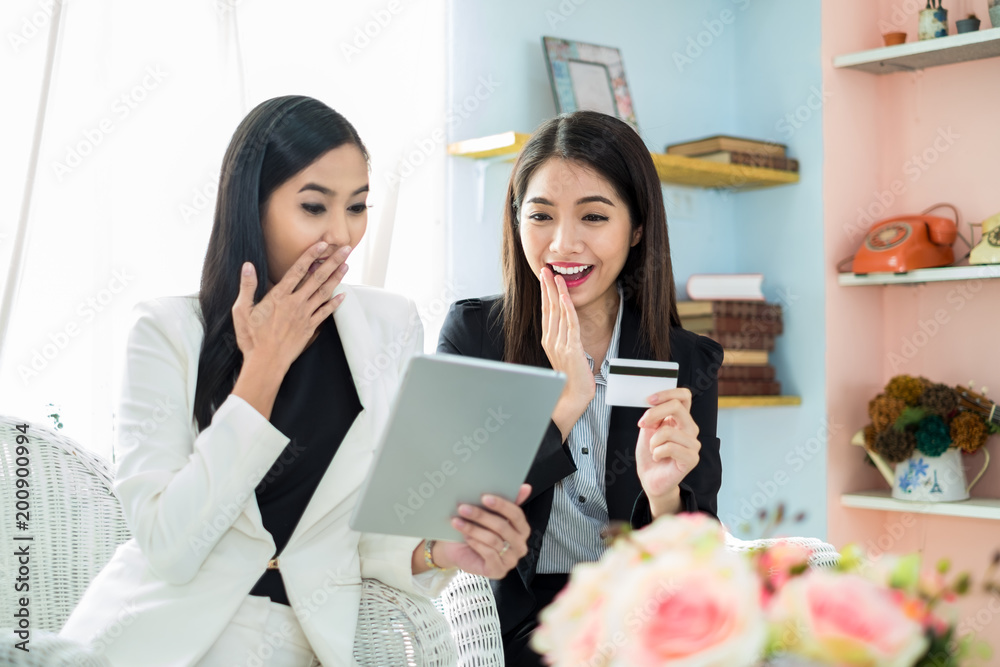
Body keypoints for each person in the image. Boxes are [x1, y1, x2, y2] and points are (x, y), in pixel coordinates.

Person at [59, 95, 531, 667]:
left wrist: (437, 549)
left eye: (357, 207)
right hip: (154, 639)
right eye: (313, 207)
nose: (342, 234)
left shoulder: (389, 326)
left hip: (302, 641)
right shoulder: (165, 331)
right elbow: (168, 547)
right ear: (250, 208)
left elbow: (366, 535)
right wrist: (262, 371)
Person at [438, 110, 724, 665]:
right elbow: (455, 507)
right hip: (528, 618)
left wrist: (665, 495)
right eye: (540, 215)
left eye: (593, 217)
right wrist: (564, 406)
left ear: (636, 229)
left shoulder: (686, 359)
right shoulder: (474, 337)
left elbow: (699, 546)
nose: (563, 244)